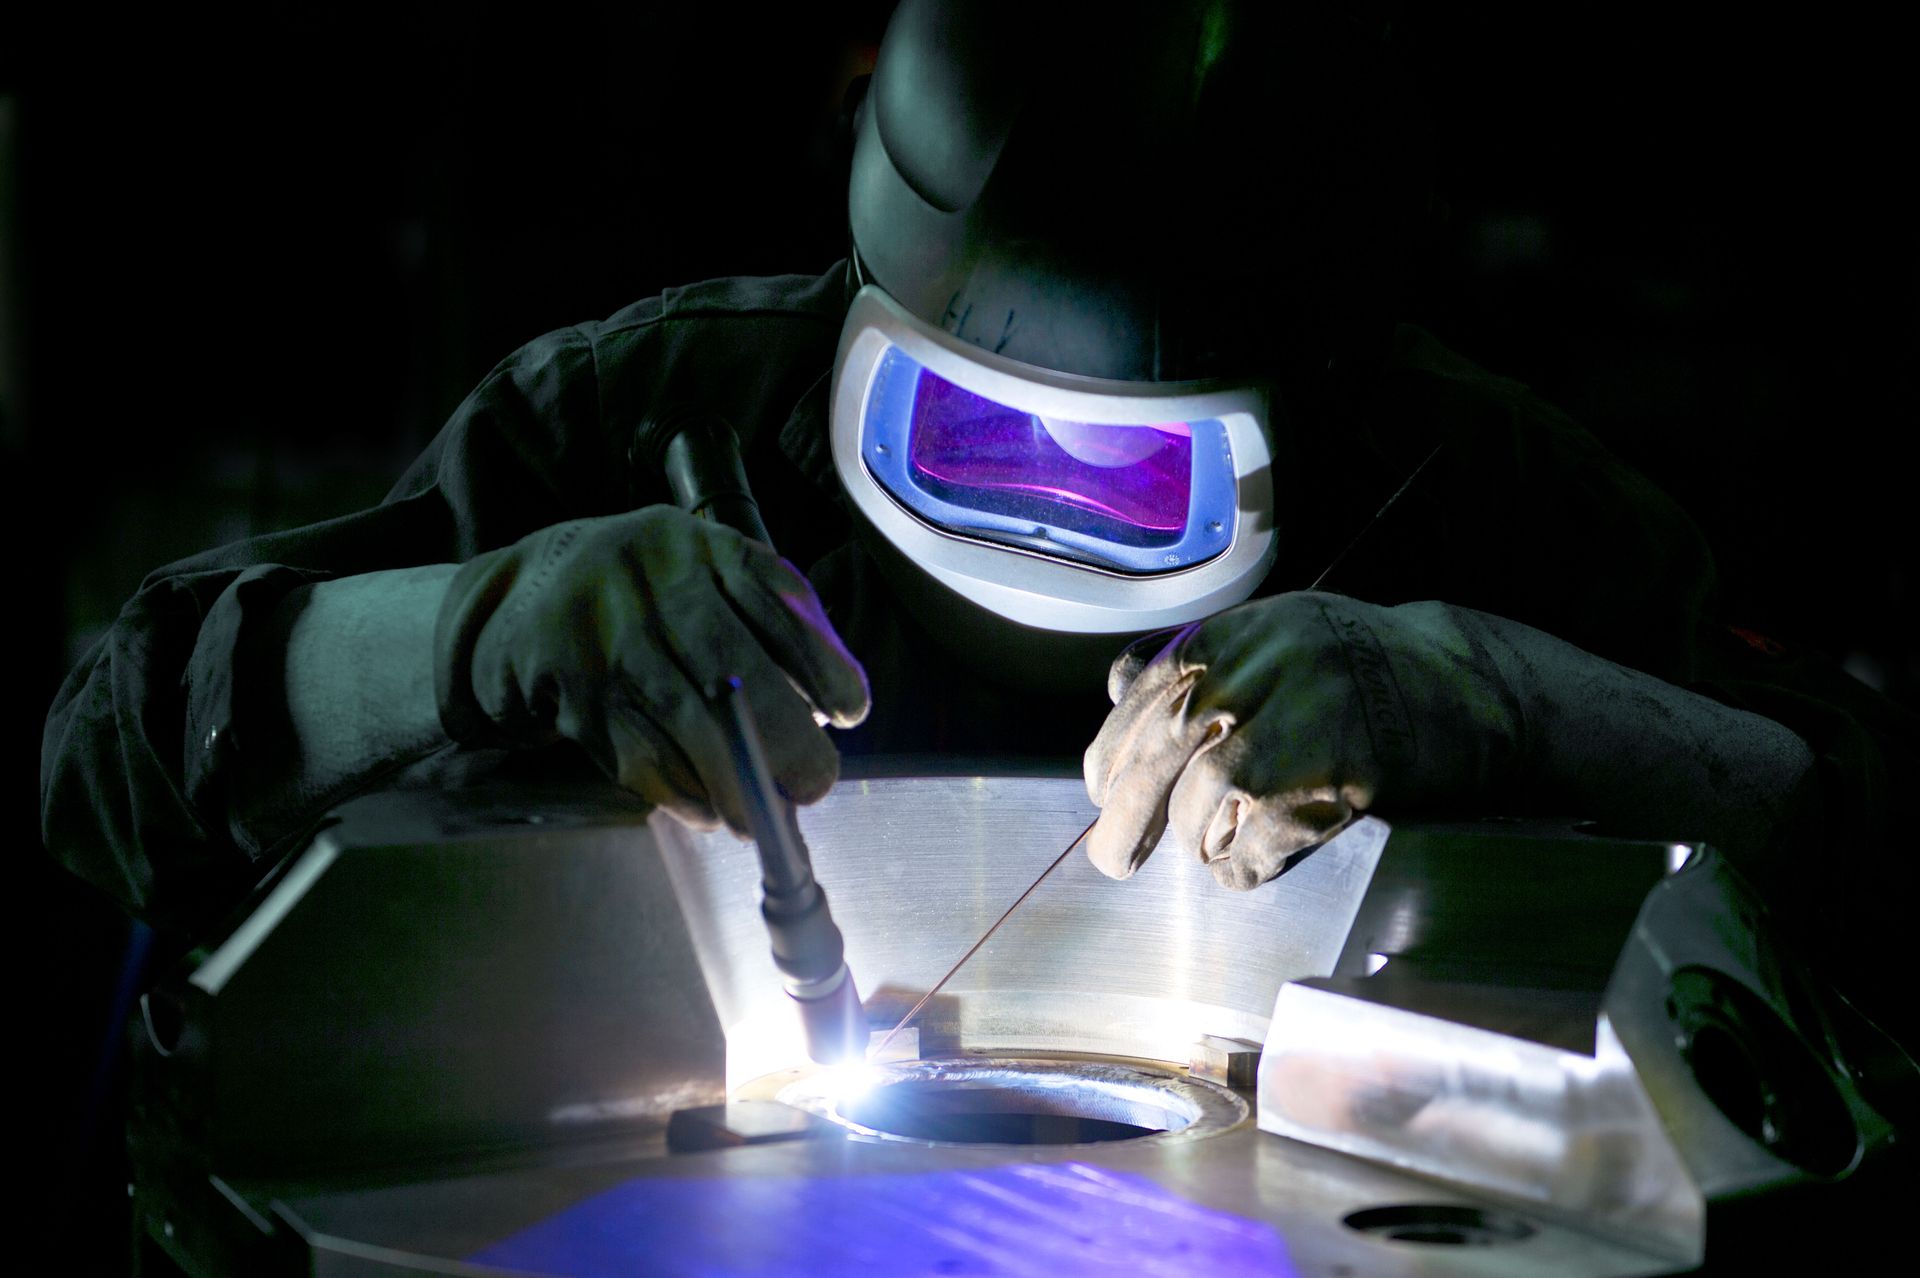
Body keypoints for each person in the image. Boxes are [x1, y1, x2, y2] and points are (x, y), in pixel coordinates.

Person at [39, 0, 1912, 1045]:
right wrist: (464, 631)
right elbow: (101, 769)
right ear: (868, 311)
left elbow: (1878, 857)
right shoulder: (648, 420)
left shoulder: (1489, 500)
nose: (1041, 510)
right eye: (960, 428)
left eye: (1131, 471)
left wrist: (1507, 700)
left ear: (1316, 402)